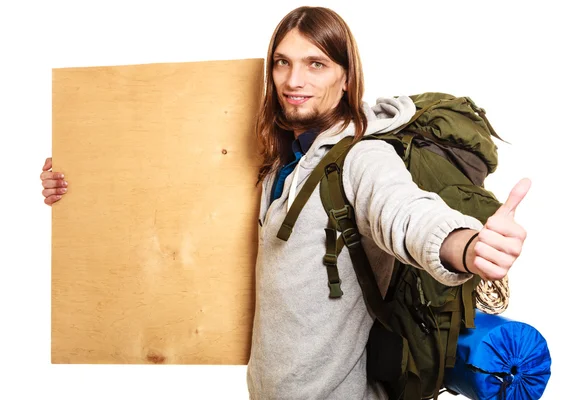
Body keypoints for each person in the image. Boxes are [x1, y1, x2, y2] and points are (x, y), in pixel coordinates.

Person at [40, 6, 530, 399]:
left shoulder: (363, 158)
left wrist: (463, 245)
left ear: (346, 77)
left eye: (316, 64)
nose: (294, 80)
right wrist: (79, 184)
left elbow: (405, 214)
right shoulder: (280, 162)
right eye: (283, 62)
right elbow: (161, 187)